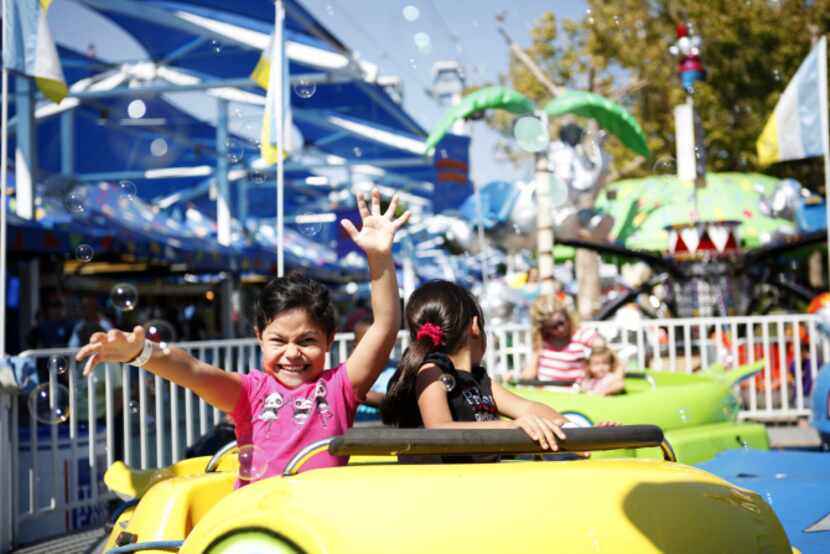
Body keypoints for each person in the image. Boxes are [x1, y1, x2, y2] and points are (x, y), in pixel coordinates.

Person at [76, 189, 410, 482]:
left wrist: (378, 257)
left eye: (306, 341)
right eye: (279, 341)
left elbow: (384, 326)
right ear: (259, 337)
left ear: (329, 340)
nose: (292, 353)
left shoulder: (339, 387)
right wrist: (142, 353)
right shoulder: (249, 392)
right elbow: (190, 370)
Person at [382, 280, 570, 451]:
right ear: (475, 325)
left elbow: (527, 408)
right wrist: (509, 426)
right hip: (440, 482)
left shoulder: (479, 380)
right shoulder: (431, 372)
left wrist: (570, 428)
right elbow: (439, 428)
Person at [522, 293, 598, 384]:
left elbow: (610, 360)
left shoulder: (583, 335)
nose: (560, 329)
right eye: (553, 327)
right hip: (545, 393)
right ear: (544, 328)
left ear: (566, 315)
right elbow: (530, 374)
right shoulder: (542, 340)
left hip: (573, 392)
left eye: (561, 322)